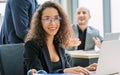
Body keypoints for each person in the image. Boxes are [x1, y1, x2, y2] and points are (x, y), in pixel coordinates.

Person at [23, 1, 97, 75]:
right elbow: (40, 73)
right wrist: (64, 71)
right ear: (39, 21)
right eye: (47, 19)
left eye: (56, 18)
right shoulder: (31, 45)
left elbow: (68, 70)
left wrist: (84, 70)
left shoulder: (59, 44)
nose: (52, 23)